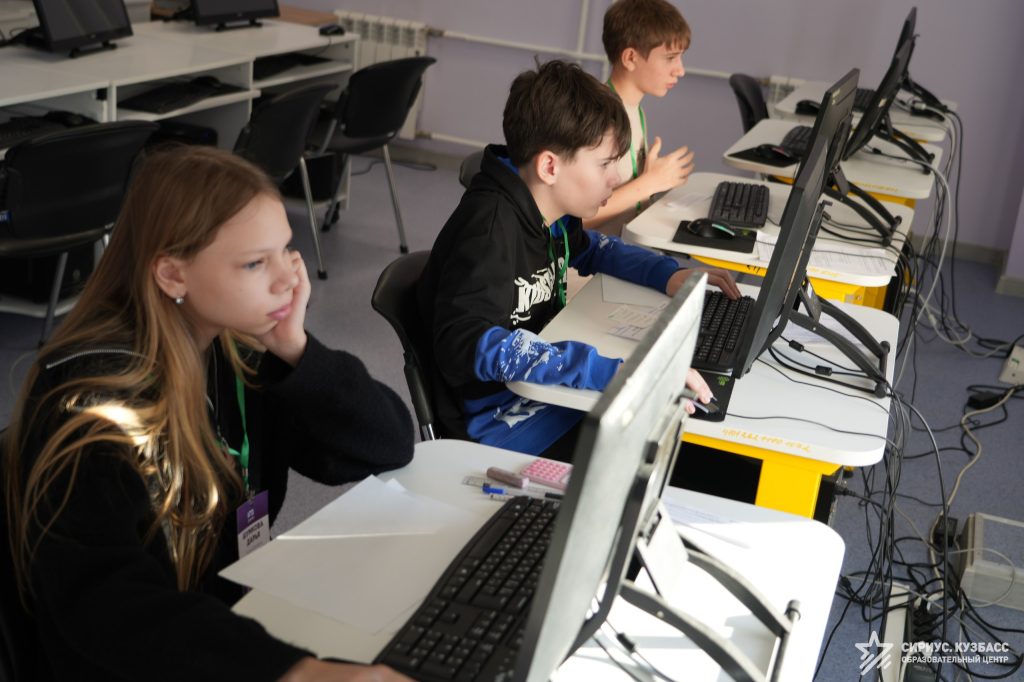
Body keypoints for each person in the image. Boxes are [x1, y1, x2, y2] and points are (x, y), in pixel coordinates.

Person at [1, 146, 415, 682]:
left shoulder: (236, 351)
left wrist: (297, 352)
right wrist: (296, 671)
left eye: (286, 251)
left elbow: (386, 443)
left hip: (222, 630)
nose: (289, 279)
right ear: (173, 275)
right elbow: (108, 608)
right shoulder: (88, 404)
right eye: (254, 263)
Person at [417, 60, 739, 459]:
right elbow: (465, 342)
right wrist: (612, 372)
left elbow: (592, 249)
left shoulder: (549, 210)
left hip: (548, 394)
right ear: (550, 166)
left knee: (679, 431)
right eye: (605, 164)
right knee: (674, 449)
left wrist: (667, 274)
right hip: (501, 422)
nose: (616, 179)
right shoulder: (489, 230)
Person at [586, 0, 695, 235]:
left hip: (622, 246)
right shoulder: (599, 119)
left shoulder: (634, 110)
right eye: (670, 58)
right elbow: (577, 219)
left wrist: (649, 178)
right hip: (592, 257)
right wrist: (649, 183)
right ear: (630, 58)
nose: (680, 70)